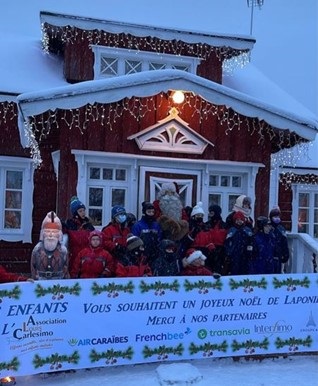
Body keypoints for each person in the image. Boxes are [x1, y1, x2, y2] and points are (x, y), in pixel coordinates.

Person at [31, 211, 70, 280]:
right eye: (48, 231)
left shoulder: (63, 251)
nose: (51, 235)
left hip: (58, 283)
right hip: (40, 282)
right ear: (43, 233)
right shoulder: (37, 249)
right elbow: (33, 268)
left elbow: (65, 269)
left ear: (59, 234)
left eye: (54, 232)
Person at [63, 196, 95, 273]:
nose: (83, 213)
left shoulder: (88, 225)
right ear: (75, 213)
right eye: (80, 211)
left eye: (84, 210)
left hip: (87, 256)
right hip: (74, 256)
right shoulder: (69, 224)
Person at [131, 201, 162, 268]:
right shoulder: (138, 225)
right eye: (149, 212)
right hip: (142, 255)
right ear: (144, 212)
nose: (151, 214)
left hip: (154, 254)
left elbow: (159, 238)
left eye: (152, 212)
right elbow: (134, 240)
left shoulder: (156, 225)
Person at [224, 211, 254, 276]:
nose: (239, 221)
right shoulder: (232, 230)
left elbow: (251, 241)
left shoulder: (247, 230)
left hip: (245, 254)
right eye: (237, 220)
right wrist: (228, 253)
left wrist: (250, 251)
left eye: (241, 219)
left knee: (245, 270)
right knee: (234, 271)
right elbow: (227, 242)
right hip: (234, 255)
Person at [204, 205, 228, 274]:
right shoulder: (207, 225)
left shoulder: (224, 225)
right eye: (209, 213)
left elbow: (226, 240)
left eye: (212, 213)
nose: (210, 215)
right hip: (208, 251)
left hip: (220, 252)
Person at [269, 206, 290, 271]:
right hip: (270, 255)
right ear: (271, 218)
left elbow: (284, 242)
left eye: (278, 217)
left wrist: (286, 254)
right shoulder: (268, 227)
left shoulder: (281, 229)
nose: (277, 218)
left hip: (279, 255)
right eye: (275, 217)